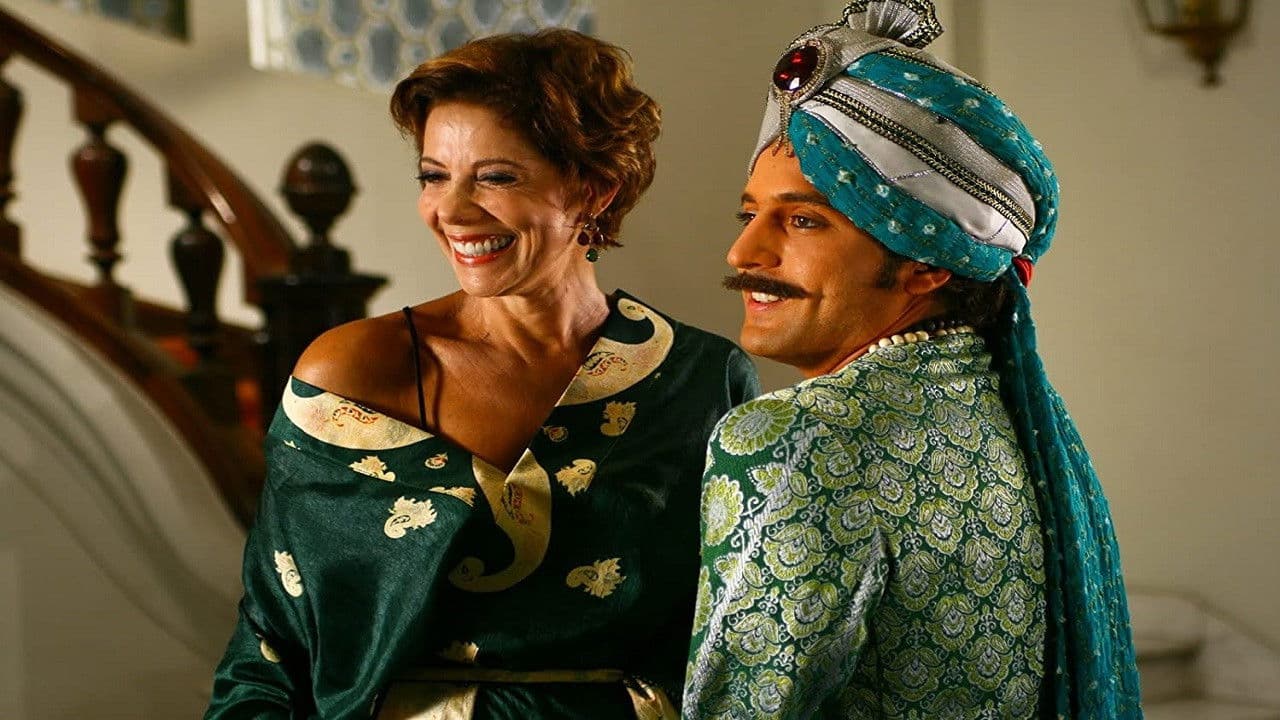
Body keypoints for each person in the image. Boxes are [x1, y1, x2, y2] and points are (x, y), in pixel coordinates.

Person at [205, 29, 759, 720]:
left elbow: (733, 636)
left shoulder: (700, 379)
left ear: (594, 189)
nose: (452, 211)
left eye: (496, 177)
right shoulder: (355, 374)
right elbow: (271, 646)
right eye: (433, 176)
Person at [683, 2, 1141, 718]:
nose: (744, 252)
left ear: (926, 261)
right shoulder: (1014, 421)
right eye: (750, 214)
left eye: (803, 220)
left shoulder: (796, 438)